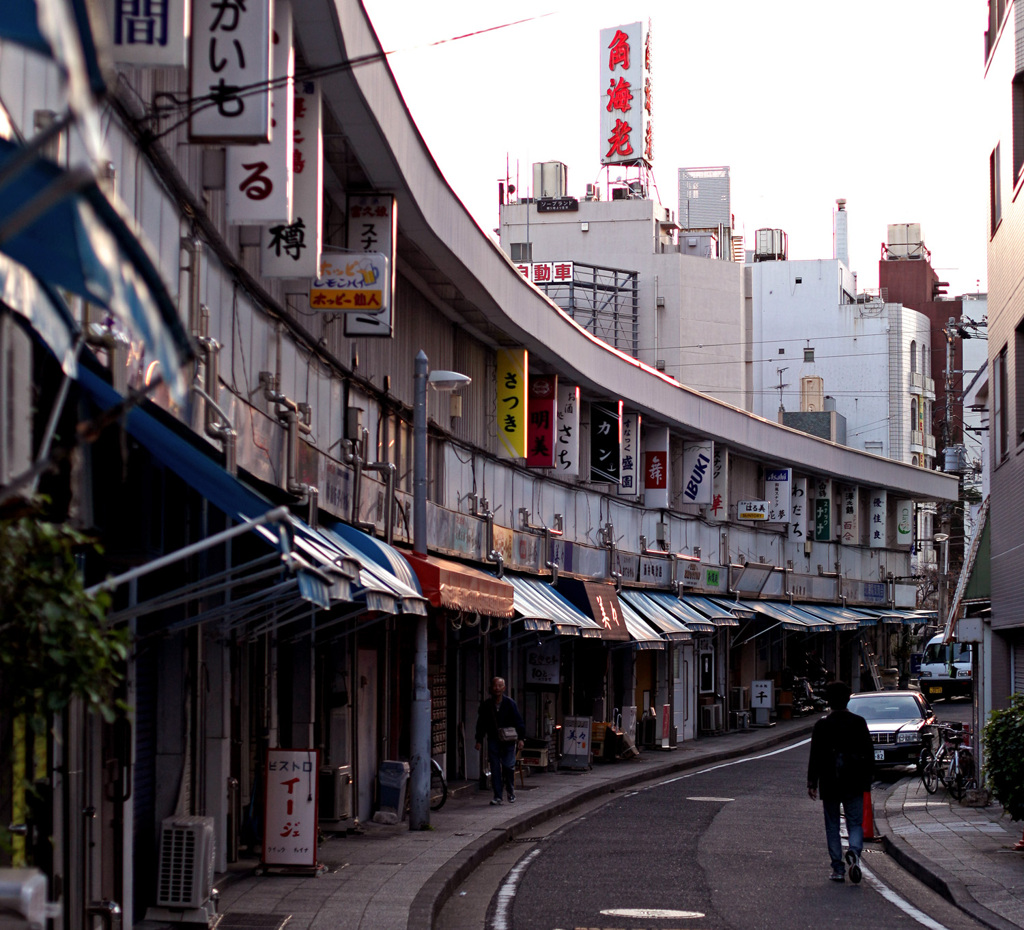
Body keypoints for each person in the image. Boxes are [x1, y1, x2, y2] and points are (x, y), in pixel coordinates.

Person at [806, 680, 874, 883]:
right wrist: (869, 777)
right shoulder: (859, 723)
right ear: (847, 700)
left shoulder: (822, 725)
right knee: (855, 823)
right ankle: (853, 852)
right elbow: (869, 753)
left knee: (832, 824)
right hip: (855, 781)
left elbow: (815, 755)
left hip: (830, 782)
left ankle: (837, 868)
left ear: (829, 701)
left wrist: (812, 782)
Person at [474, 677, 525, 805]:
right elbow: (481, 723)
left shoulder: (510, 703)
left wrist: (521, 738)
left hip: (508, 740)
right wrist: (479, 739)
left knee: (508, 765)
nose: (497, 688)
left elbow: (519, 721)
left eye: (500, 686)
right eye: (495, 686)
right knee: (495, 768)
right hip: (493, 739)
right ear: (491, 688)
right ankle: (497, 795)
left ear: (504, 688)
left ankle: (510, 790)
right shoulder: (486, 705)